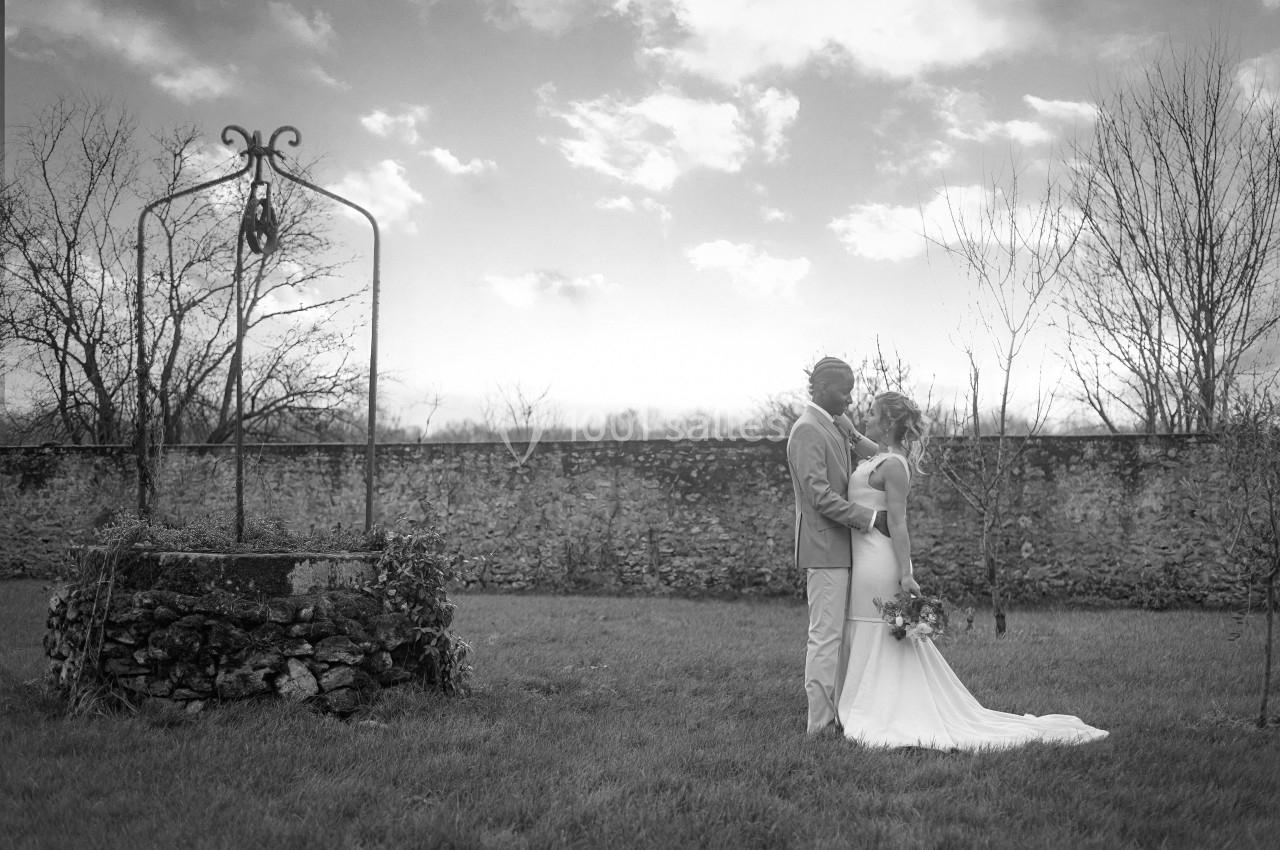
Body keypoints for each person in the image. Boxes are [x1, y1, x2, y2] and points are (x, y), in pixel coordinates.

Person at [836, 391, 1109, 750]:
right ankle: (860, 700)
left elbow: (900, 524)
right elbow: (858, 440)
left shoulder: (893, 466)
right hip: (863, 555)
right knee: (865, 626)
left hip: (879, 561)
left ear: (887, 421)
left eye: (872, 414)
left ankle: (880, 707)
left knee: (877, 629)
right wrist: (833, 415)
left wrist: (906, 573)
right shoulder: (878, 455)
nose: (865, 419)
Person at [786, 356, 883, 735]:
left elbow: (876, 456)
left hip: (844, 549)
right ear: (823, 388)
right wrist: (871, 519)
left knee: (841, 637)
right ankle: (820, 724)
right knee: (825, 637)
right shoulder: (807, 430)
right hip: (824, 548)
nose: (850, 399)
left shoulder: (831, 423)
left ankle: (841, 714)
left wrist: (850, 430)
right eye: (845, 391)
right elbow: (819, 496)